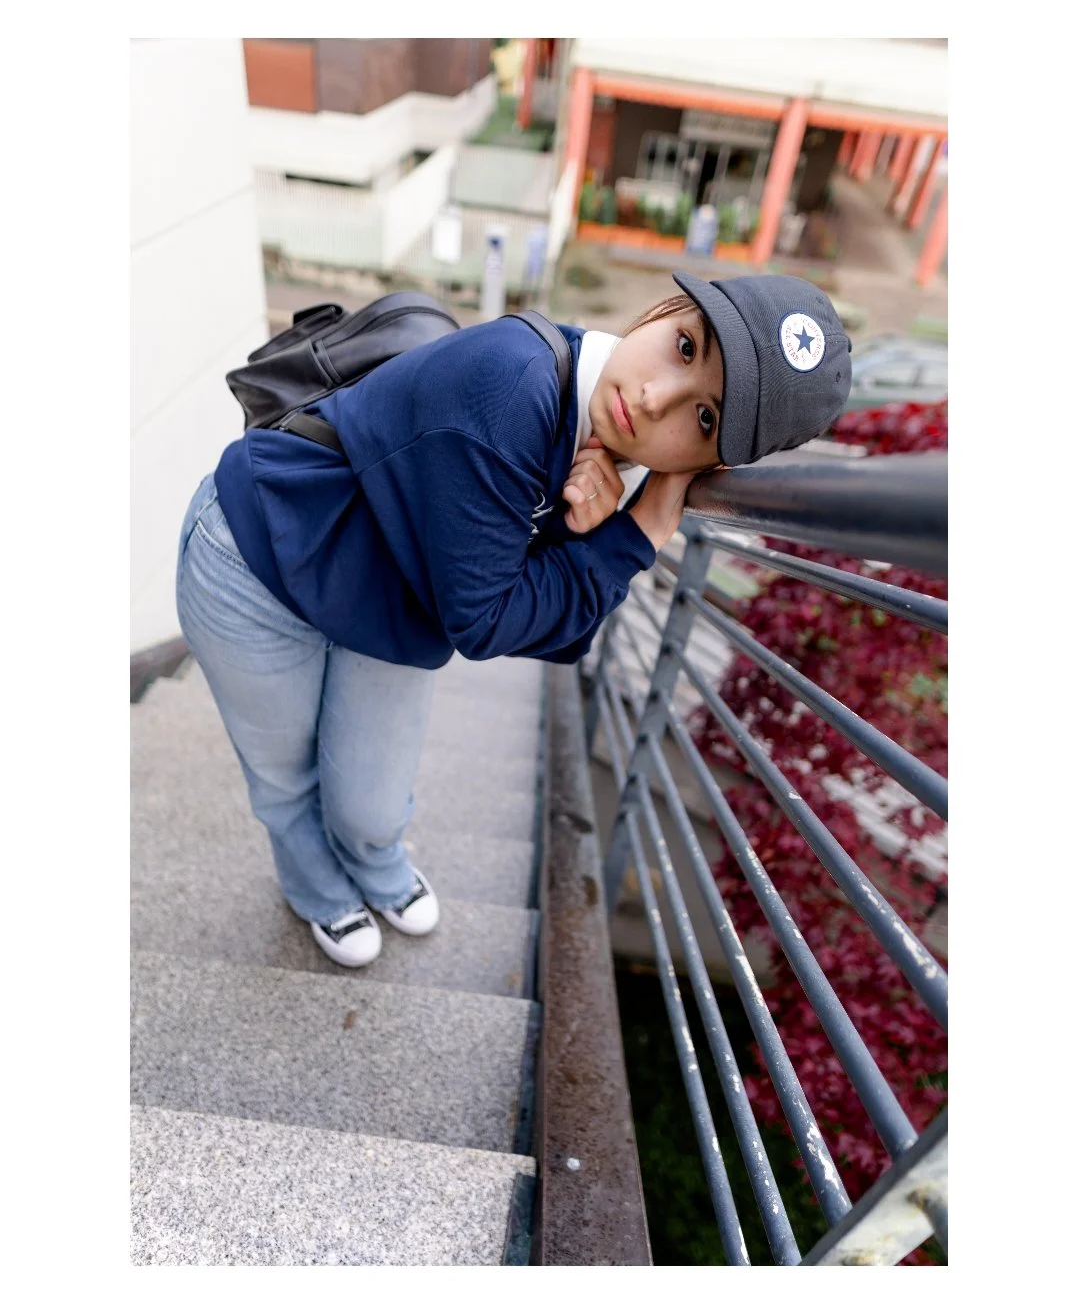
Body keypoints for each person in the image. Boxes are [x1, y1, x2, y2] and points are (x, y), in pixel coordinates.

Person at [176, 271, 851, 967]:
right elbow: (489, 621)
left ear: (714, 461)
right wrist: (631, 539)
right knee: (287, 777)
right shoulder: (513, 384)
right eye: (684, 346)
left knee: (369, 804)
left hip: (382, 599)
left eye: (704, 419)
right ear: (662, 311)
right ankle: (318, 889)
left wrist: (580, 534)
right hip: (254, 559)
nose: (654, 400)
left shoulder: (615, 452)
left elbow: (557, 635)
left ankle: (374, 861)